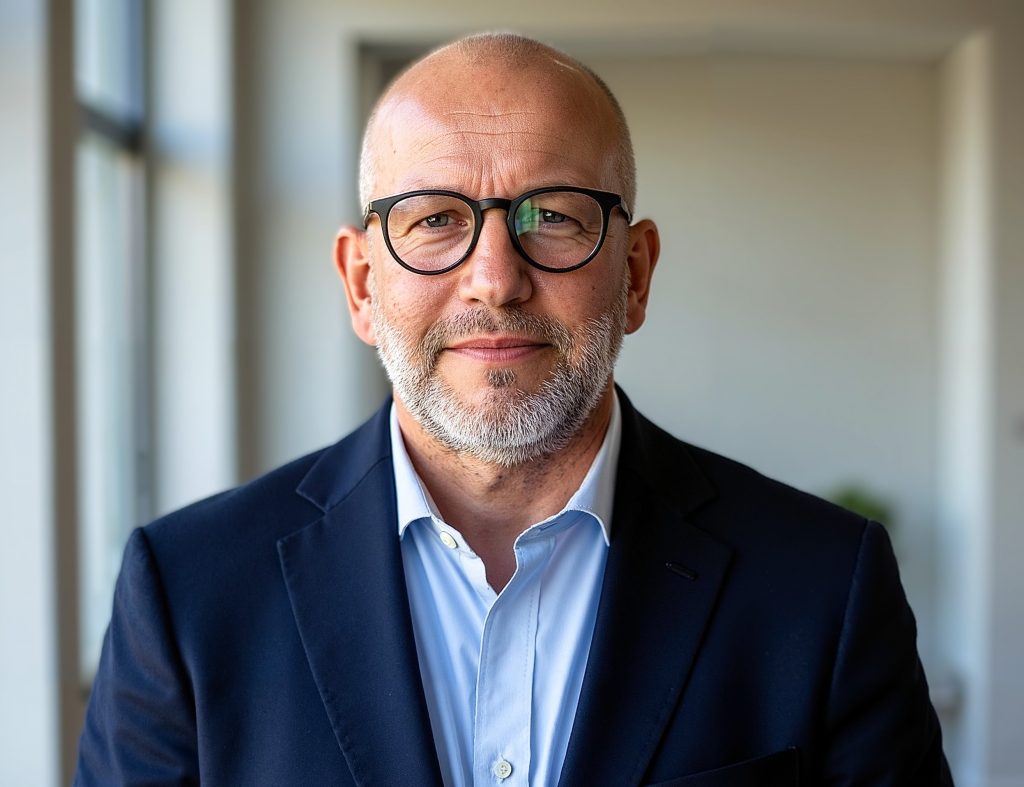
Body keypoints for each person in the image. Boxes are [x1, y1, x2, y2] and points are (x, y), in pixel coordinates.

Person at [75, 32, 953, 786]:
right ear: (360, 283)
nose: (495, 278)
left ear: (636, 274)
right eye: (432, 221)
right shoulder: (188, 593)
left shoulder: (823, 588)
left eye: (557, 216)